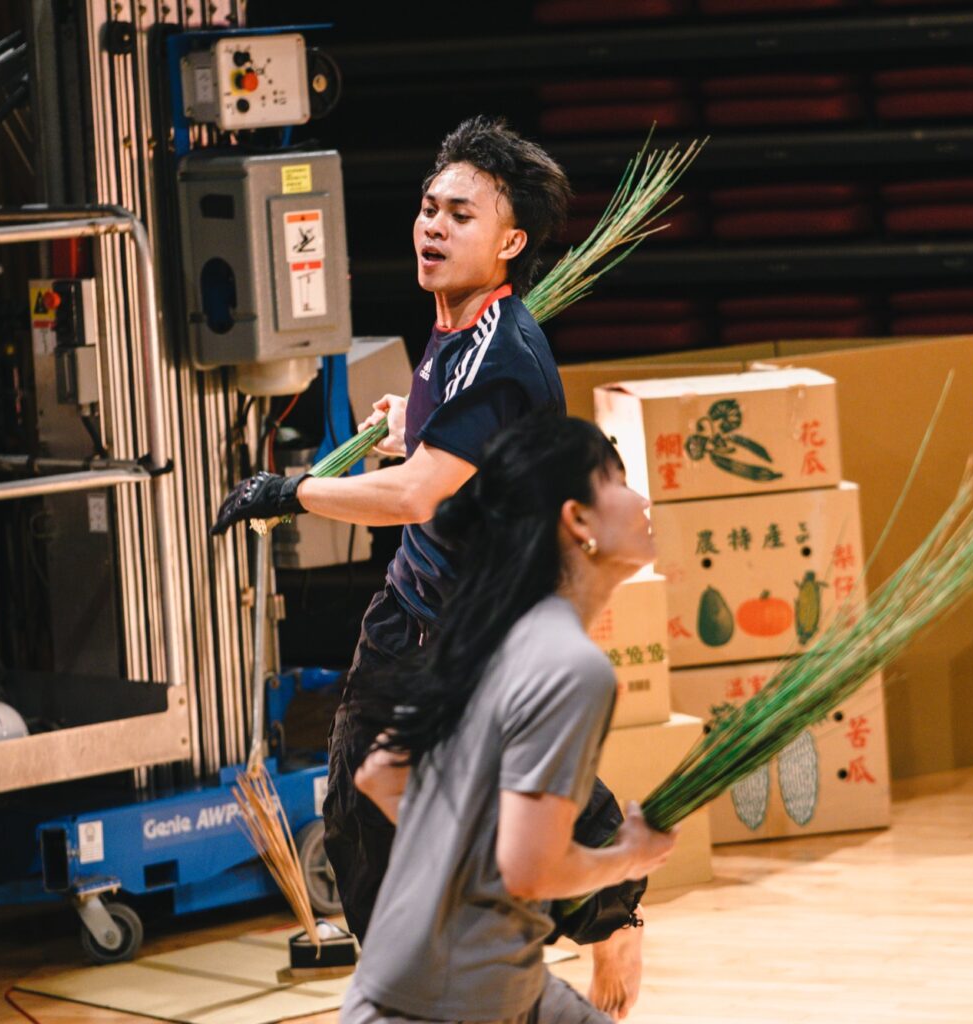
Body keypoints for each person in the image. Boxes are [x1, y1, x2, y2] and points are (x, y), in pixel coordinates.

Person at [211, 115, 649, 1011]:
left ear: (511, 241)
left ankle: (609, 915)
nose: (433, 227)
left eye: (461, 215)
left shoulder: (492, 350)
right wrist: (417, 421)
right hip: (418, 616)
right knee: (371, 814)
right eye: (427, 207)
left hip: (475, 629)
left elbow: (416, 496)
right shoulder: (460, 332)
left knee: (441, 806)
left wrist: (286, 494)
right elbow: (460, 457)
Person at [341, 413, 677, 1024]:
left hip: (432, 985)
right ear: (578, 521)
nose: (640, 498)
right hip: (447, 1007)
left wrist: (467, 865)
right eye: (618, 481)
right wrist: (631, 856)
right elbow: (532, 872)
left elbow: (380, 775)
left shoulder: (489, 630)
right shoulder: (572, 667)